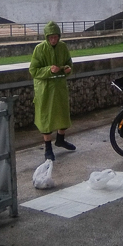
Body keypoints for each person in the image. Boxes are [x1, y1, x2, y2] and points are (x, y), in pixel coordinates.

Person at [29, 21, 76, 161]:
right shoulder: (39, 49)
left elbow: (69, 62)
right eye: (51, 37)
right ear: (46, 37)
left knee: (62, 113)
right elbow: (33, 70)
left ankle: (60, 139)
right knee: (46, 117)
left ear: (59, 36)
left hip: (59, 87)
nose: (53, 40)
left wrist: (68, 68)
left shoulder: (63, 47)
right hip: (45, 90)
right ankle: (48, 147)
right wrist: (49, 70)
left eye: (55, 37)